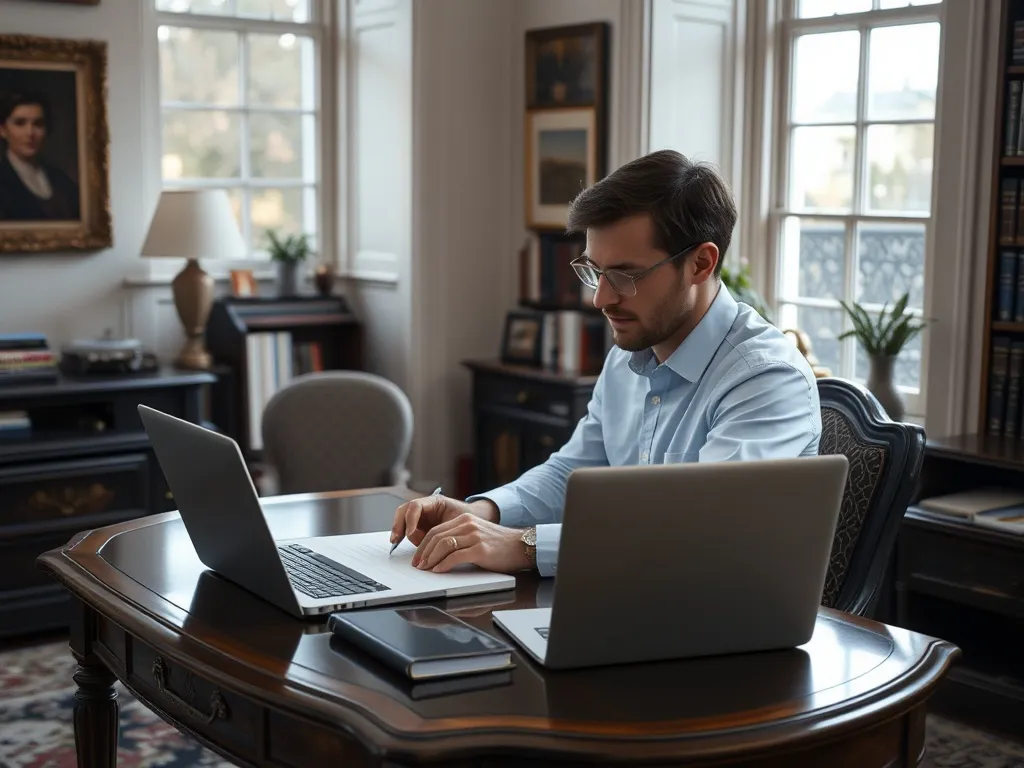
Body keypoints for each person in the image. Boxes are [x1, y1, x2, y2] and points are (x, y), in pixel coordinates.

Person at [391, 149, 822, 578]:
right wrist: (480, 512)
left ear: (701, 263)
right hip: (630, 601)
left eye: (625, 276)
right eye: (595, 272)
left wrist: (524, 546)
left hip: (724, 627)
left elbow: (697, 529)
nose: (601, 299)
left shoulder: (766, 378)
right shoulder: (627, 357)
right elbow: (572, 475)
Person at [0, 90, 80, 222]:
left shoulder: (61, 179)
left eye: (38, 124)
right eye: (20, 123)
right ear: (2, 130)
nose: (30, 133)